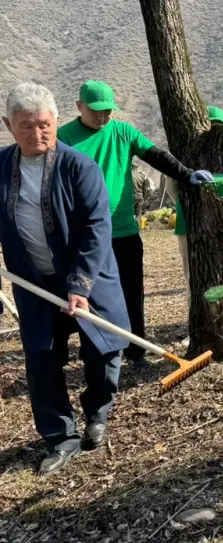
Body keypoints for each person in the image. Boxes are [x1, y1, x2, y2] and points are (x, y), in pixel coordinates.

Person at [0, 82, 130, 474]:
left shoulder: (79, 167)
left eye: (44, 124)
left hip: (87, 277)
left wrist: (80, 286)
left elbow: (96, 227)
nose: (37, 133)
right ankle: (60, 435)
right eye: (26, 126)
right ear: (9, 125)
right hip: (33, 282)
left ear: (56, 121)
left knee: (104, 351)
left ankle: (98, 414)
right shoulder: (1, 168)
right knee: (42, 360)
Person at [57, 81, 213, 368]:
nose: (103, 117)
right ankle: (93, 349)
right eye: (96, 112)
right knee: (85, 293)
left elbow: (156, 155)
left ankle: (135, 349)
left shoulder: (123, 132)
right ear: (80, 107)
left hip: (123, 229)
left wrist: (187, 174)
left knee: (131, 291)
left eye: (108, 111)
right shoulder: (63, 137)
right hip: (83, 235)